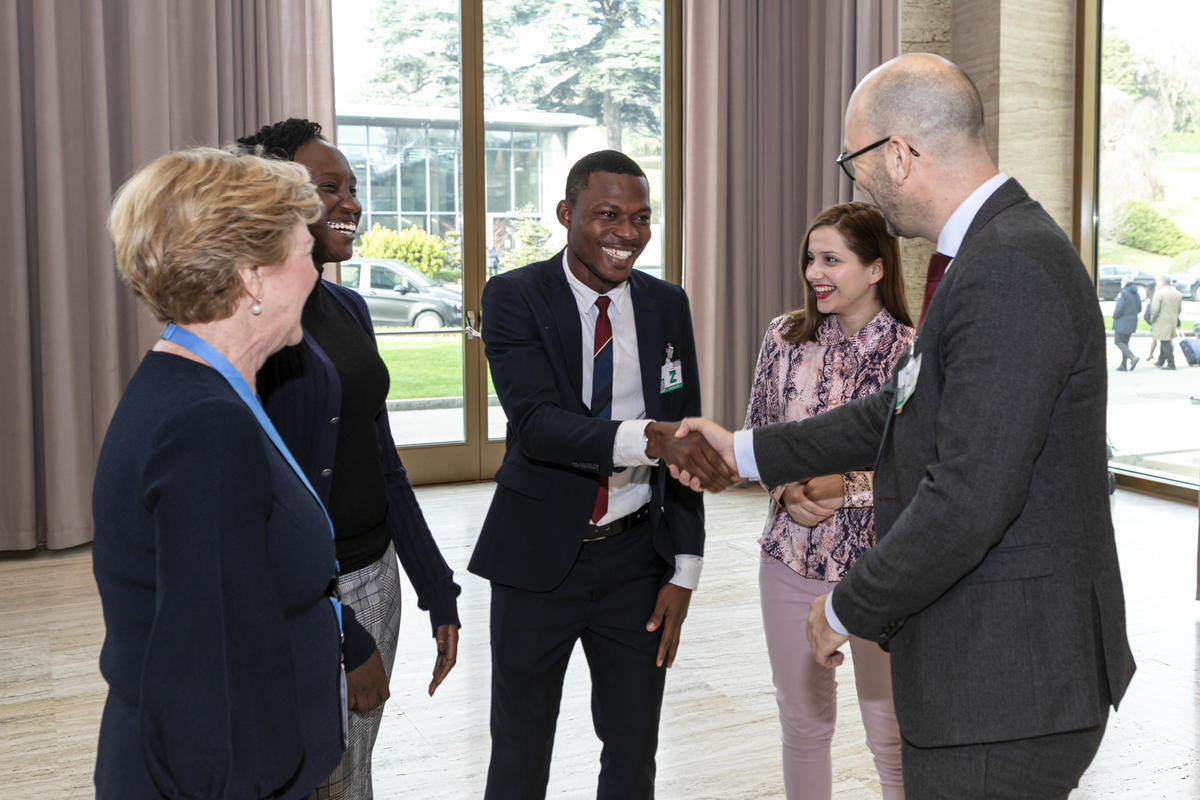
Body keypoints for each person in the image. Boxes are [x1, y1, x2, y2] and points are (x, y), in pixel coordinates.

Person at [672, 54, 1136, 798]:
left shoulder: (1009, 265)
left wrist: (847, 603)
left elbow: (968, 497)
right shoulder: (985, 251)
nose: (853, 180)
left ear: (897, 154)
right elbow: (893, 408)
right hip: (992, 669)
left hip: (1008, 683)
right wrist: (746, 449)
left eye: (853, 159)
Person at [471, 150, 735, 800]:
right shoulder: (514, 297)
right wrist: (651, 439)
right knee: (520, 752)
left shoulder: (666, 304)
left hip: (636, 565)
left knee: (633, 751)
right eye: (608, 215)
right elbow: (537, 424)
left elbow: (685, 431)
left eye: (641, 217)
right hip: (537, 562)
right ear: (567, 215)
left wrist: (685, 569)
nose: (628, 232)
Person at [93, 147, 345, 797]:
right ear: (252, 277)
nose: (315, 273)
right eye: (301, 252)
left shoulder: (191, 386)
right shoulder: (206, 425)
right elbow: (204, 670)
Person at [238, 118, 462, 800]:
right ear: (272, 195)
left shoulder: (350, 308)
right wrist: (343, 631)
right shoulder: (247, 324)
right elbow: (256, 513)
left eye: (353, 188)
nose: (353, 203)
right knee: (297, 773)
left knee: (350, 772)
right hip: (300, 597)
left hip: (376, 574)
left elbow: (381, 457)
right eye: (328, 186)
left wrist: (437, 588)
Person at [745, 201, 911, 800]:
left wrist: (845, 489)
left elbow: (920, 472)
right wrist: (786, 487)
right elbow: (759, 431)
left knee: (891, 737)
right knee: (803, 724)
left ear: (874, 268)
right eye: (811, 258)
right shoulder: (784, 336)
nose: (815, 272)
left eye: (831, 260)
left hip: (880, 568)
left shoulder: (912, 352)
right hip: (787, 559)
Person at [1149, 274, 1183, 369]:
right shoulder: (1177, 293)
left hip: (1161, 320)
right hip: (1173, 320)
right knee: (1165, 340)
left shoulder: (1159, 293)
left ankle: (1171, 364)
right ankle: (1161, 361)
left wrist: (1152, 319)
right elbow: (1180, 309)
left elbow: (1155, 309)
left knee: (1165, 342)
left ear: (1161, 282)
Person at [1111, 276, 1141, 371]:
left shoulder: (1123, 293)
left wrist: (1114, 316)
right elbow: (1139, 308)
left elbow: (1119, 308)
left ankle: (1133, 357)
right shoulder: (1136, 293)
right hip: (1132, 322)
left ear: (1124, 282)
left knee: (1118, 341)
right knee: (1125, 343)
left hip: (1122, 322)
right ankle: (1123, 365)